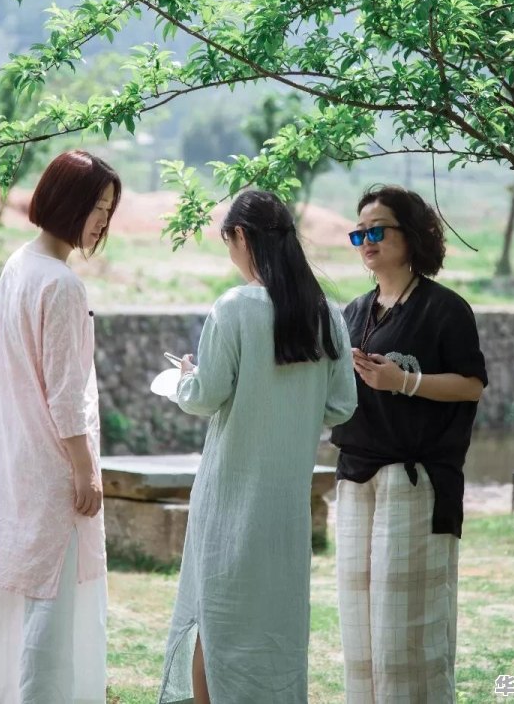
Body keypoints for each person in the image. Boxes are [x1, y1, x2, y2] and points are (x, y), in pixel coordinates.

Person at [157, 189, 357, 704]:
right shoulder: (325, 313)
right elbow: (341, 406)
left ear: (242, 237)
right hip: (285, 508)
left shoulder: (234, 306)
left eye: (229, 243)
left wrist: (183, 379)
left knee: (215, 618)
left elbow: (205, 397)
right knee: (277, 628)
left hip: (228, 500)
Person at [0, 149, 121, 704]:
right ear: (70, 202)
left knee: (9, 594)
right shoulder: (61, 285)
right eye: (99, 206)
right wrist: (86, 473)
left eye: (109, 209)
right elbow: (65, 394)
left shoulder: (18, 265)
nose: (104, 220)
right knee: (53, 609)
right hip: (52, 467)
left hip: (14, 460)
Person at [331, 185, 488, 704]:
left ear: (411, 234)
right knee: (361, 630)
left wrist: (406, 382)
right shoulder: (352, 312)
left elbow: (471, 385)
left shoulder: (446, 309)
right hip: (356, 478)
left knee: (407, 632)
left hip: (416, 482)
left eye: (377, 230)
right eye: (359, 233)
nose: (366, 241)